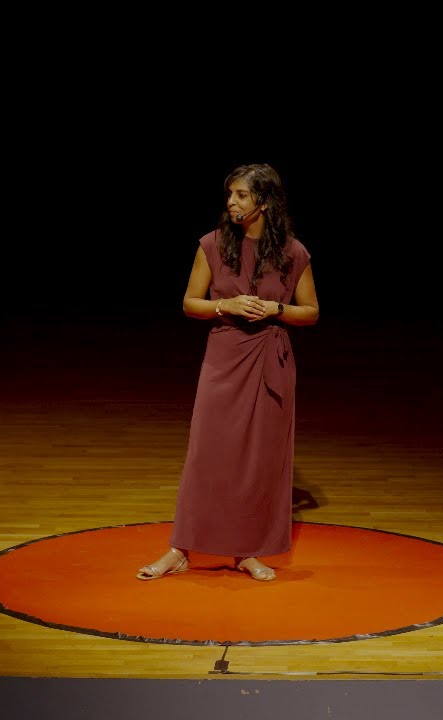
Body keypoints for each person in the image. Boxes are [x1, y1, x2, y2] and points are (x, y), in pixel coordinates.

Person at [137, 163, 320, 582]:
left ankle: (246, 552)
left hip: (270, 360)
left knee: (258, 462)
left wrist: (276, 309)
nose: (232, 202)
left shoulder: (293, 251)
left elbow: (310, 312)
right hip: (224, 357)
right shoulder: (213, 244)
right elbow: (189, 303)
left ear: (265, 201)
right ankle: (179, 549)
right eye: (230, 195)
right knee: (206, 454)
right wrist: (227, 305)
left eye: (240, 194)